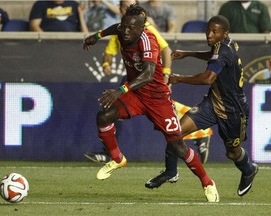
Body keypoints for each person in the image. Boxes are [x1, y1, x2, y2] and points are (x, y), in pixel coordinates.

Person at [83, 4, 219, 202]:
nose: (126, 31)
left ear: (142, 28)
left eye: (131, 28)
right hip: (137, 95)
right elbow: (115, 28)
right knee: (103, 116)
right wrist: (97, 35)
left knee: (178, 147)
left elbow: (147, 74)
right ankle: (117, 159)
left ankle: (207, 182)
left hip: (157, 99)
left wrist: (120, 90)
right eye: (124, 26)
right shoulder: (122, 29)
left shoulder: (149, 41)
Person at [165, 15, 258, 197]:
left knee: (232, 153)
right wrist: (188, 53)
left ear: (225, 34)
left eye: (214, 32)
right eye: (208, 30)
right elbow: (214, 56)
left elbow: (208, 78)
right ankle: (171, 173)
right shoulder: (225, 44)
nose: (209, 34)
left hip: (232, 111)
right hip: (212, 104)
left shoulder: (223, 50)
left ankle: (249, 170)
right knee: (176, 133)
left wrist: (180, 78)